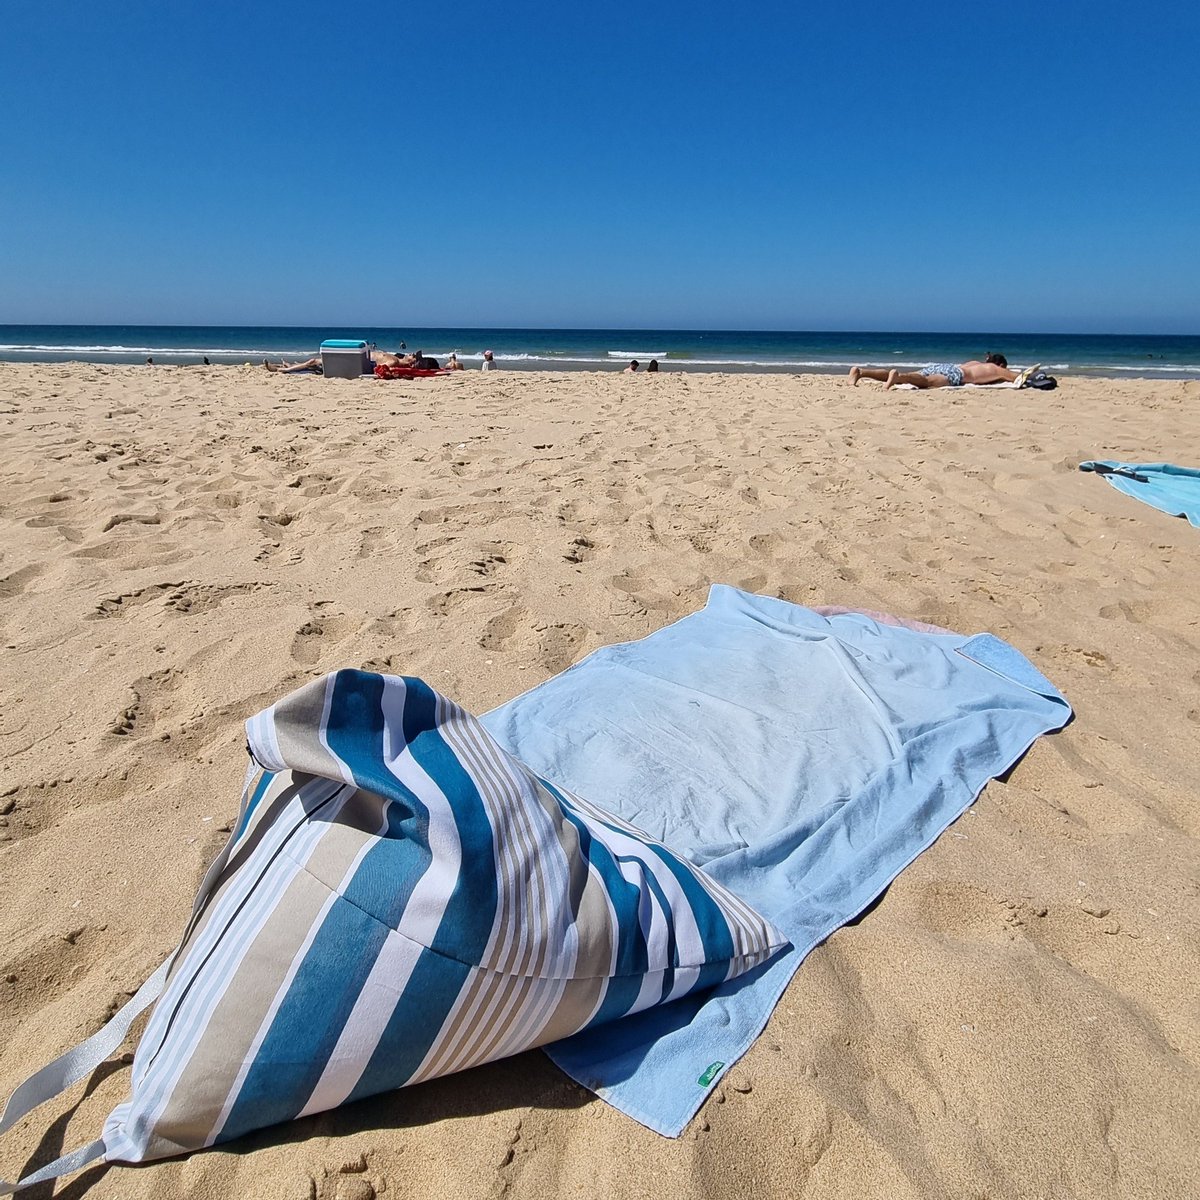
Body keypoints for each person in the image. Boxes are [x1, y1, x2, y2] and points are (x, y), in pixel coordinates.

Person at [849, 352, 1019, 390]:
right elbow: (1016, 377)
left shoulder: (974, 362)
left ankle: (861, 372)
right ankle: (898, 377)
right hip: (956, 375)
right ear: (1002, 364)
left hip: (946, 366)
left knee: (919, 375)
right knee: (927, 382)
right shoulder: (995, 369)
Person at [264, 345, 411, 374]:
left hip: (355, 363)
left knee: (313, 362)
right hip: (354, 360)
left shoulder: (393, 362)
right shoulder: (394, 358)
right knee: (316, 364)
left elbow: (378, 370)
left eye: (412, 356)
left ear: (412, 363)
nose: (410, 354)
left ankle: (283, 369)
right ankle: (289, 366)